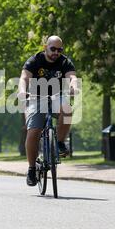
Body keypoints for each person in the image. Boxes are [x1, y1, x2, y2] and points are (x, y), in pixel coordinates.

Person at [18, 36, 78, 186]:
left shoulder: (64, 61)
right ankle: (32, 169)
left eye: (59, 50)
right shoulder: (34, 61)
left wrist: (73, 86)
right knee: (33, 132)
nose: (56, 52)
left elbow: (73, 77)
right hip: (36, 97)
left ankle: (59, 142)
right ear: (45, 47)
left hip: (56, 96)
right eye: (53, 49)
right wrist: (22, 90)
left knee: (68, 109)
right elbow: (24, 77)